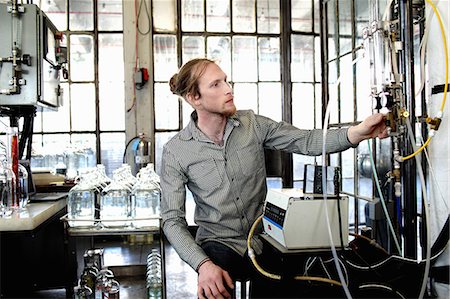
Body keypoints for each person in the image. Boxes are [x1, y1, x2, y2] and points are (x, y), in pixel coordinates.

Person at [160, 58, 388, 299]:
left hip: (265, 237)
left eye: (226, 80)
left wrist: (357, 133)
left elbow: (306, 140)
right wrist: (202, 265)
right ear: (194, 98)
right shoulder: (176, 151)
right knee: (214, 286)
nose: (229, 89)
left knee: (286, 282)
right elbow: (172, 220)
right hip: (219, 243)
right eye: (216, 85)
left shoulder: (252, 125)